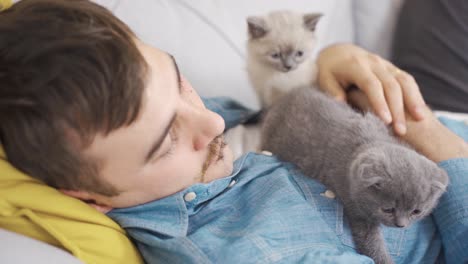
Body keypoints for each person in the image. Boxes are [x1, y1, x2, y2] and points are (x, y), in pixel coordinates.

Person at [0, 0, 467, 263]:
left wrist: (331, 64)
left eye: (180, 83)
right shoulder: (250, 250)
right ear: (88, 197)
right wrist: (431, 134)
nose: (214, 122)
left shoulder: (189, 148)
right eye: (166, 145)